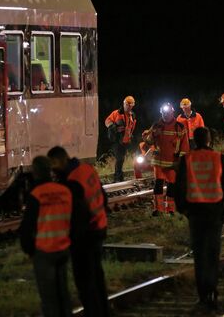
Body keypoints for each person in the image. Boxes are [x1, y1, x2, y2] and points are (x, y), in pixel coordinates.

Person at [174, 127, 224, 310]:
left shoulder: (187, 159)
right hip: (214, 210)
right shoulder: (218, 158)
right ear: (208, 140)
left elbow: (180, 186)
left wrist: (183, 209)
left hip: (195, 212)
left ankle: (202, 294)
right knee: (213, 253)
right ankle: (212, 290)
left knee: (199, 254)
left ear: (194, 140)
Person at [19, 156, 86, 317]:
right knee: (63, 292)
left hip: (44, 252)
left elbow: (27, 227)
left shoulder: (36, 194)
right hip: (63, 249)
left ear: (35, 173)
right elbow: (78, 220)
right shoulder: (64, 191)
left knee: (49, 297)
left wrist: (29, 250)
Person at [48, 146, 110, 317]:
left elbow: (77, 215)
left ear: (61, 161)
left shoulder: (72, 182)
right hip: (99, 229)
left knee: (85, 282)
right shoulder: (87, 169)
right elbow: (104, 197)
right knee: (98, 278)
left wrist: (72, 239)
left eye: (53, 164)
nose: (52, 169)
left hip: (85, 237)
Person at [144, 102, 190, 215]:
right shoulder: (156, 125)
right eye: (163, 113)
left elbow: (185, 146)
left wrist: (180, 161)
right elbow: (148, 141)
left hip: (172, 163)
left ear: (172, 113)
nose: (165, 115)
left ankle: (170, 209)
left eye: (167, 113)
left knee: (172, 186)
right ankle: (158, 209)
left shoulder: (180, 127)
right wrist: (154, 135)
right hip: (158, 161)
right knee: (158, 184)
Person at [105, 96, 137, 182]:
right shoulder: (116, 113)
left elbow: (132, 126)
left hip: (126, 140)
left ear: (132, 106)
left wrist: (130, 135)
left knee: (121, 159)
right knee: (120, 159)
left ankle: (119, 177)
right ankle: (118, 178)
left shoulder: (132, 115)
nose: (128, 107)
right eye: (127, 105)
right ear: (124, 104)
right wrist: (115, 128)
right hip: (117, 140)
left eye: (130, 105)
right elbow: (107, 121)